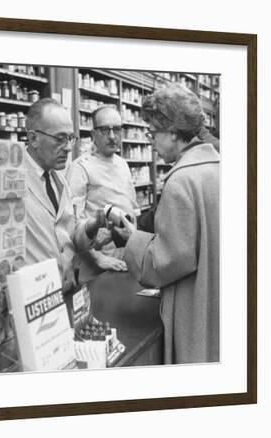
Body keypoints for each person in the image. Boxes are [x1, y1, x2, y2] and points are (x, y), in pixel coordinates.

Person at [116, 83, 220, 364]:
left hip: (193, 307)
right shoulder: (218, 167)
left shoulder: (181, 181)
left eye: (153, 133)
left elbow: (167, 261)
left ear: (174, 132)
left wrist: (132, 239)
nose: (151, 142)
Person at [24, 98, 105, 292]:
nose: (69, 147)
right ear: (33, 138)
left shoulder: (59, 181)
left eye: (70, 138)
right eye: (60, 139)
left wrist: (92, 225)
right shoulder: (12, 180)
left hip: (66, 290)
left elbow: (69, 236)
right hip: (33, 296)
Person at [66, 106, 139, 281]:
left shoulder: (123, 165)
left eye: (117, 130)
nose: (112, 136)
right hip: (97, 265)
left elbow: (133, 210)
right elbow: (72, 223)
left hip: (126, 258)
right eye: (105, 130)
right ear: (93, 134)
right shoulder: (80, 167)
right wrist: (98, 258)